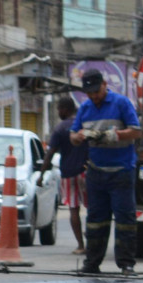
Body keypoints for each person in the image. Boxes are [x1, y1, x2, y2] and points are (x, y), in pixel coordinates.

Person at [67, 70, 143, 274]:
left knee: (125, 220)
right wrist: (80, 137)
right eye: (90, 93)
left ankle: (126, 264)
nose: (94, 96)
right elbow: (73, 136)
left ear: (104, 84)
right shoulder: (85, 108)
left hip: (121, 171)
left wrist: (114, 136)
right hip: (96, 172)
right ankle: (92, 263)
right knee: (95, 220)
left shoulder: (121, 103)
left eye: (96, 91)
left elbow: (136, 131)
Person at [43, 96, 88, 254]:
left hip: (68, 175)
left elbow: (50, 153)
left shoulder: (60, 128)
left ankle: (81, 246)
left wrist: (41, 174)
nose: (58, 112)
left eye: (59, 109)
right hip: (85, 173)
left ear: (65, 109)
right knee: (92, 209)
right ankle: (92, 242)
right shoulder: (84, 126)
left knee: (74, 210)